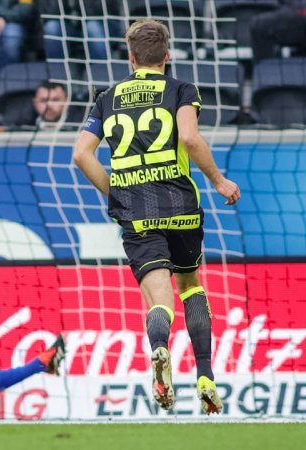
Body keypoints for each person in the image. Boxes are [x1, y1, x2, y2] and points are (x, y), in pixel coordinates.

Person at [72, 19, 240, 414]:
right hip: (180, 204)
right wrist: (217, 180)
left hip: (137, 210)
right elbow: (190, 137)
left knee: (158, 297)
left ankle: (161, 349)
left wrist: (117, 193)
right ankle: (205, 376)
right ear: (167, 56)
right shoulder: (181, 88)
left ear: (131, 58)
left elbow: (81, 154)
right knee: (191, 285)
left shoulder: (107, 97)